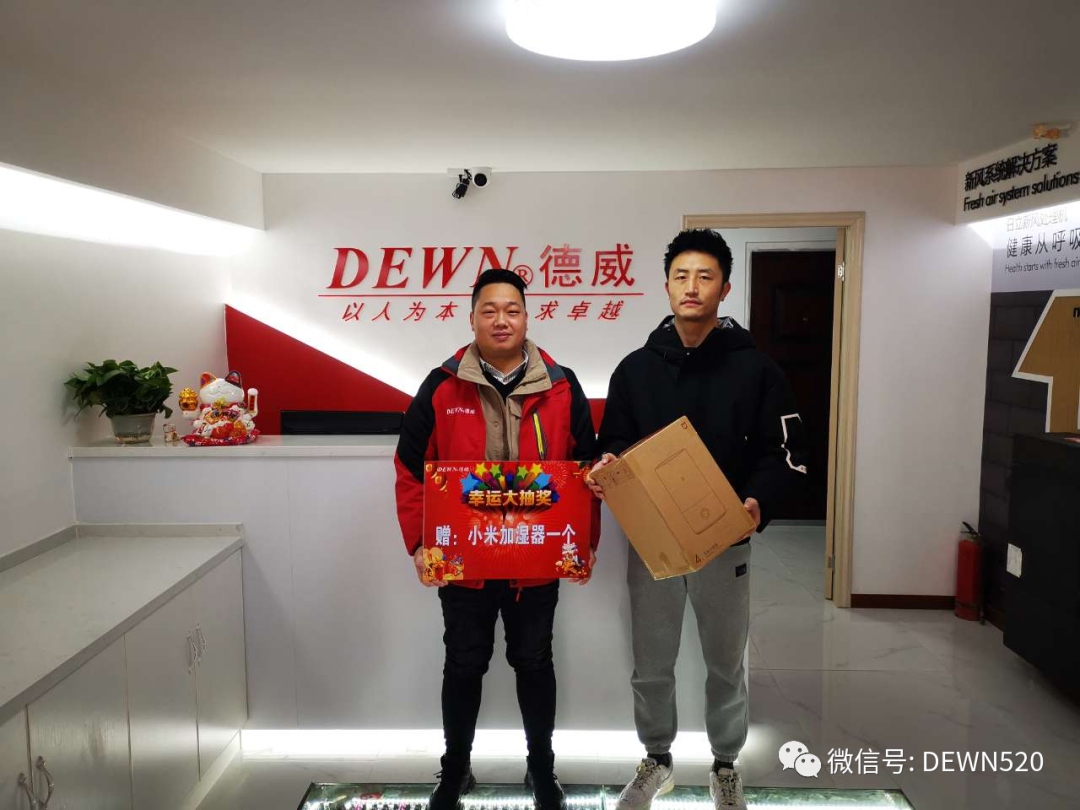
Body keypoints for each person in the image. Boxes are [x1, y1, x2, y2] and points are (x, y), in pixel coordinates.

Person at [587, 229, 807, 810]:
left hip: (724, 540)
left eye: (705, 276)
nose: (692, 286)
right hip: (653, 542)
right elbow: (614, 441)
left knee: (725, 663)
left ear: (724, 288)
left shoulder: (757, 370)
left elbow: (784, 452)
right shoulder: (635, 370)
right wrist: (606, 465)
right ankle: (656, 759)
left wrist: (757, 501)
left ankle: (726, 764)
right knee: (651, 663)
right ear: (666, 286)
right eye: (681, 276)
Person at [395, 268, 600, 810]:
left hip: (536, 560)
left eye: (512, 309)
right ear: (472, 319)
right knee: (464, 663)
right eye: (489, 310)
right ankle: (455, 772)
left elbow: (586, 470)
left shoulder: (561, 385)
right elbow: (410, 468)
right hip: (464, 564)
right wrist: (418, 544)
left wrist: (585, 540)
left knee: (534, 661)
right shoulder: (442, 386)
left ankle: (542, 771)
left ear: (528, 317)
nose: (501, 320)